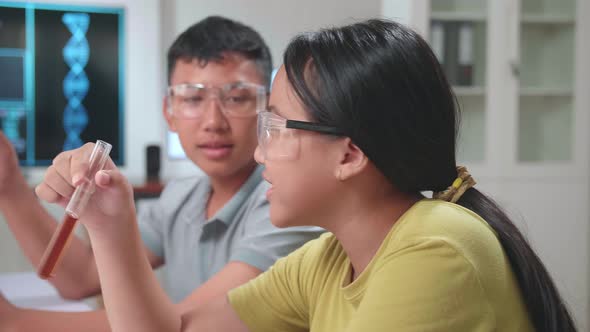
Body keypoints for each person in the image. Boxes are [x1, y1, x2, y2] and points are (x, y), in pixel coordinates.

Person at [11, 19, 577, 332]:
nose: (259, 153)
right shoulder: (327, 259)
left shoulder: (436, 250)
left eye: (275, 127)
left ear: (349, 154)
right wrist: (112, 224)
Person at [0, 16, 322, 332]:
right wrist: (9, 182)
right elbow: (80, 278)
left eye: (237, 98)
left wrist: (16, 323)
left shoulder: (284, 203)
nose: (213, 121)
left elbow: (179, 325)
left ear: (267, 109)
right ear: (169, 111)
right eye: (193, 98)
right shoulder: (182, 197)